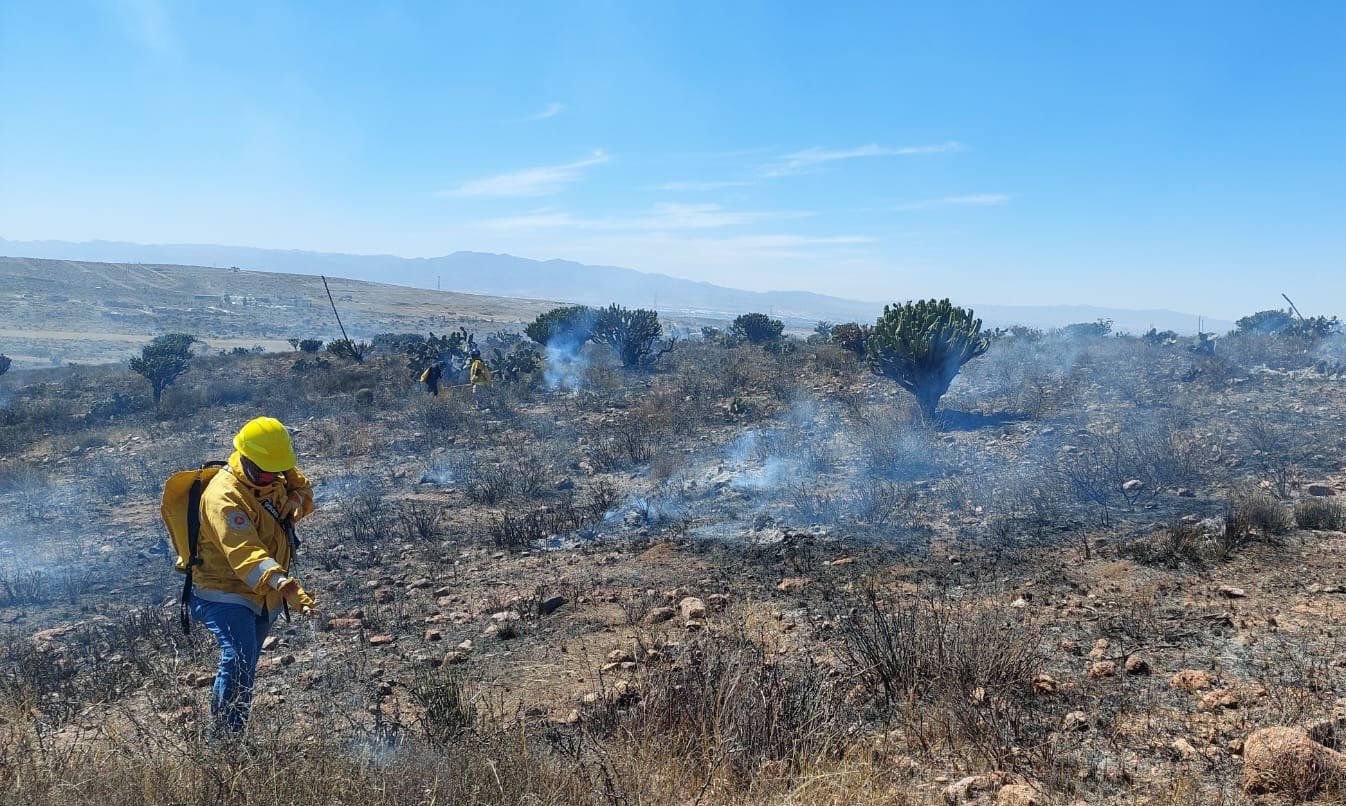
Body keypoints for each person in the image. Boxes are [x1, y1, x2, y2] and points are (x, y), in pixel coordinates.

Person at [191, 416, 316, 739]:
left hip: (263, 593)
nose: (271, 478)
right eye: (264, 472)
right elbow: (245, 552)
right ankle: (223, 743)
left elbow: (302, 485)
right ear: (245, 458)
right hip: (225, 590)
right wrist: (281, 582)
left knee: (246, 666)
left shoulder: (271, 472)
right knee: (239, 657)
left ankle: (233, 733)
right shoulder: (224, 497)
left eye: (276, 472)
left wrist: (295, 498)